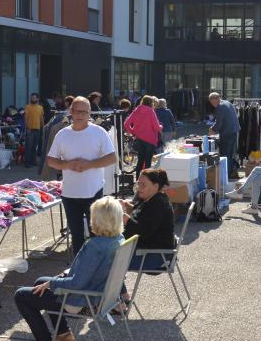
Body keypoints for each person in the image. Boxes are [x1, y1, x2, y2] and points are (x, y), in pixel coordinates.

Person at [14, 196, 124, 341]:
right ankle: (64, 335)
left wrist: (53, 283)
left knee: (21, 295)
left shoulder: (95, 246)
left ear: (97, 220)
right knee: (39, 282)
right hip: (101, 295)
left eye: (92, 216)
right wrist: (53, 281)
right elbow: (87, 274)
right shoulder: (118, 240)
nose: (89, 219)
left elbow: (76, 283)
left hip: (84, 300)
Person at [47, 97, 118, 254]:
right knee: (77, 236)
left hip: (93, 192)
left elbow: (112, 158)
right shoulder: (62, 134)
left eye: (84, 112)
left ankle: (98, 268)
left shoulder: (98, 132)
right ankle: (79, 270)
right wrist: (67, 165)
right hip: (69, 193)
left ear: (89, 113)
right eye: (77, 111)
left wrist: (89, 164)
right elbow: (51, 160)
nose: (80, 115)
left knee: (97, 234)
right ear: (71, 112)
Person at [120, 168, 175, 271]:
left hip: (157, 256)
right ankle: (115, 286)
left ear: (155, 186)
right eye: (138, 184)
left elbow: (143, 232)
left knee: (108, 260)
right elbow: (140, 216)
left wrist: (125, 217)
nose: (139, 188)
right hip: (148, 251)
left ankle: (114, 287)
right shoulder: (150, 199)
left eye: (143, 185)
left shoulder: (159, 204)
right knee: (106, 256)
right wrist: (129, 208)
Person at [123, 95, 162, 173]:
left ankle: (138, 181)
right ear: (151, 103)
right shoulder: (151, 111)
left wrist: (133, 132)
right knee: (148, 163)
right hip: (150, 140)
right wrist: (161, 126)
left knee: (140, 162)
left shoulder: (136, 110)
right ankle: (147, 183)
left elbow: (126, 124)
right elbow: (156, 127)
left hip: (139, 139)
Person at [208, 92, 241, 179]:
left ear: (215, 99)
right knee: (230, 154)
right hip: (234, 131)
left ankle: (226, 175)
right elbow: (220, 120)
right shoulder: (227, 102)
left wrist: (212, 129)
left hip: (228, 132)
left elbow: (219, 122)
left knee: (225, 155)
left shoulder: (220, 107)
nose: (212, 104)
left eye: (212, 102)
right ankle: (230, 172)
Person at [24, 93, 44, 168]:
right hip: (30, 129)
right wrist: (27, 128)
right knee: (28, 146)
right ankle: (27, 163)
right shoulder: (27, 107)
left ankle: (33, 161)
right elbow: (26, 118)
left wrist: (43, 127)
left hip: (38, 129)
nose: (32, 99)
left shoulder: (40, 108)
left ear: (37, 99)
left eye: (34, 98)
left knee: (34, 147)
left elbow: (41, 118)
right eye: (32, 98)